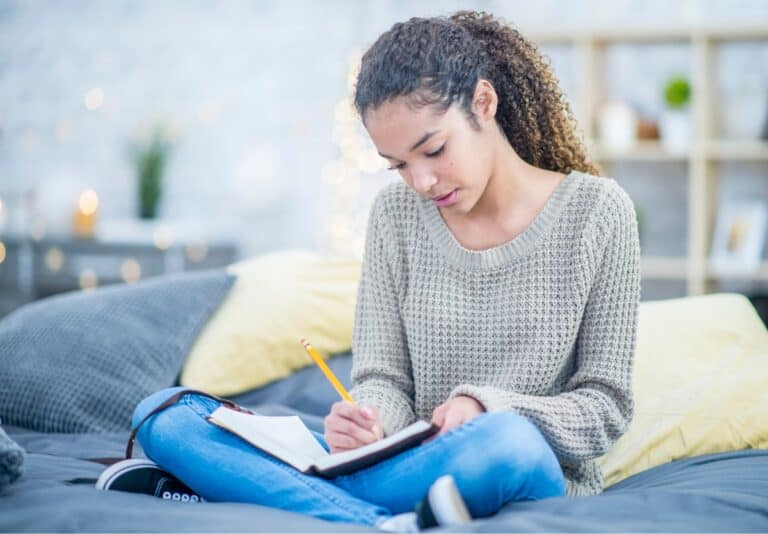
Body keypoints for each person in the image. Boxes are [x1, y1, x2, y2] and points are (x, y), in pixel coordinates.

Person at [98, 10, 641, 531]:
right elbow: (381, 379)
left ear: (484, 101)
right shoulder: (395, 217)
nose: (421, 182)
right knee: (166, 414)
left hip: (507, 465)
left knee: (508, 440)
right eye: (399, 165)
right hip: (401, 470)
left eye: (434, 149)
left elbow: (605, 408)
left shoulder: (599, 213)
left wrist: (485, 407)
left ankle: (260, 490)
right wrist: (370, 422)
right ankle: (386, 523)